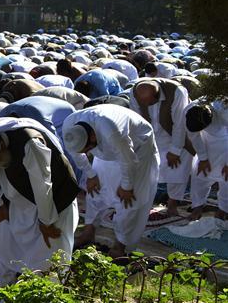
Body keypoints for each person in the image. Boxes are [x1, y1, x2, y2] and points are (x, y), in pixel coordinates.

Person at [0, 118, 80, 285]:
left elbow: (43, 185)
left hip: (54, 201)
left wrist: (46, 221)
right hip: (19, 200)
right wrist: (1, 205)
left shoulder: (30, 143)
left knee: (51, 251)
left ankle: (46, 296)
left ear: (1, 144)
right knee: (6, 242)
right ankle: (3, 289)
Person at [62, 105, 160, 258]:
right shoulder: (70, 127)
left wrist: (127, 186)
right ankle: (89, 232)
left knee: (129, 201)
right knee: (95, 191)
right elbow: (77, 155)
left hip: (138, 151)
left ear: (93, 138)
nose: (87, 153)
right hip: (110, 150)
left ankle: (121, 244)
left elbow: (129, 161)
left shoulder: (112, 132)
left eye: (88, 149)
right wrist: (90, 174)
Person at [129, 78, 193, 216]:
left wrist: (175, 150)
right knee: (146, 169)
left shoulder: (177, 91)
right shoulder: (134, 93)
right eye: (143, 102)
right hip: (150, 134)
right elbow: (136, 120)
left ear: (157, 95)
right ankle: (144, 203)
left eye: (149, 102)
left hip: (175, 133)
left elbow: (179, 123)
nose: (145, 104)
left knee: (178, 168)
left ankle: (172, 204)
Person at [183, 100, 228, 220]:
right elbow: (194, 135)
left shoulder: (224, 109)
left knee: (226, 178)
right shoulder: (189, 111)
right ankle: (197, 206)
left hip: (226, 142)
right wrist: (203, 158)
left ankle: (223, 209)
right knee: (200, 174)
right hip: (206, 142)